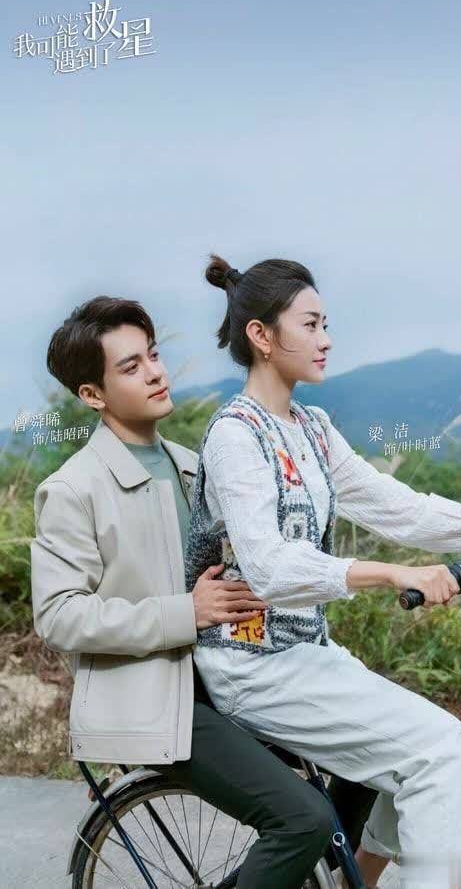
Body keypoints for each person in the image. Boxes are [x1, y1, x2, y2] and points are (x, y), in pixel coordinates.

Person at [185, 255, 461, 889]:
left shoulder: (311, 428)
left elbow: (396, 506)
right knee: (440, 751)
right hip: (252, 666)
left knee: (426, 745)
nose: (326, 339)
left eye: (326, 324)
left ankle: (360, 876)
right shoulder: (235, 437)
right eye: (311, 324)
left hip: (305, 654)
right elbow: (269, 566)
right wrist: (390, 574)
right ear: (262, 336)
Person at [30, 295, 376, 889]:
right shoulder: (74, 489)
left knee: (370, 752)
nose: (155, 372)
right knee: (303, 819)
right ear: (92, 394)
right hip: (163, 698)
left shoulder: (196, 464)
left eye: (153, 355)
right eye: (131, 366)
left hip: (234, 675)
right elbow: (60, 616)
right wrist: (185, 613)